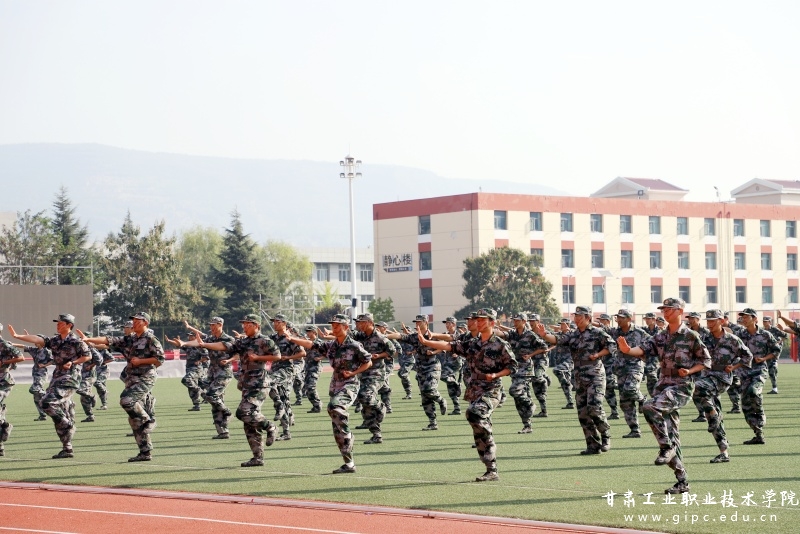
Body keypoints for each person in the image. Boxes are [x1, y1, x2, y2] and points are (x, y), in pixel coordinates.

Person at [616, 298, 710, 494]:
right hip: (663, 386)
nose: (665, 313)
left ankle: (666, 447)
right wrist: (628, 350)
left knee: (649, 406)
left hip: (681, 386)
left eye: (669, 309)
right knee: (672, 434)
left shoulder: (691, 336)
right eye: (664, 310)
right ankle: (682, 480)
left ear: (680, 311)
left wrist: (690, 371)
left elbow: (705, 360)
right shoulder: (660, 336)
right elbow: (643, 349)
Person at [419, 308, 517, 482]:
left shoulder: (500, 344)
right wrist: (426, 341)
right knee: (477, 428)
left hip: (492, 390)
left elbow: (512, 367)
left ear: (492, 322)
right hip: (474, 390)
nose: (478, 322)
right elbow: (450, 346)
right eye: (477, 320)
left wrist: (496, 375)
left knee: (474, 413)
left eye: (482, 320)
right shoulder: (472, 343)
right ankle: (491, 469)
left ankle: (489, 444)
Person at [286, 314, 373, 474]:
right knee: (337, 430)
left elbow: (368, 361)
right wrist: (291, 338)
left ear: (346, 327)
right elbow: (311, 344)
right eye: (333, 325)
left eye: (338, 325)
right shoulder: (331, 345)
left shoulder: (354, 345)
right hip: (335, 386)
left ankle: (349, 434)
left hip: (350, 384)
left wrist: (354, 372)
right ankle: (349, 464)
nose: (334, 328)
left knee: (334, 407)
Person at [195, 313, 280, 467]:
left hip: (259, 384)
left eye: (248, 324)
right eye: (244, 324)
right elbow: (225, 346)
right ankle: (257, 457)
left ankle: (270, 426)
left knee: (243, 412)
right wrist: (204, 345)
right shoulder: (243, 342)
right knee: (249, 423)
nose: (244, 327)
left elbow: (277, 356)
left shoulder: (265, 341)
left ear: (256, 326)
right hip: (246, 384)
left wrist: (258, 358)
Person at [80, 312, 164, 461]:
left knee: (126, 400)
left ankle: (149, 419)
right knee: (134, 420)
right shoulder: (130, 339)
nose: (134, 323)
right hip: (131, 378)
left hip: (145, 377)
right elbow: (108, 340)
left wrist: (141, 361)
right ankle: (145, 452)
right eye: (133, 321)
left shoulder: (151, 339)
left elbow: (160, 359)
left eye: (138, 321)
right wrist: (88, 340)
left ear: (145, 323)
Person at [9, 314, 91, 459]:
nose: (57, 325)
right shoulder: (55, 340)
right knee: (58, 413)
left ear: (69, 325)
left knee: (46, 403)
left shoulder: (76, 341)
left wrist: (73, 362)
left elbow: (88, 356)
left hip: (70, 378)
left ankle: (67, 423)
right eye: (57, 323)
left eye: (60, 323)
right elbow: (37, 339)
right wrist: (17, 336)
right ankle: (67, 448)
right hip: (56, 378)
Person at [536, 306, 615, 455]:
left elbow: (612, 346)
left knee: (594, 407)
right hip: (579, 376)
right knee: (583, 413)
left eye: (579, 316)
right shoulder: (573, 334)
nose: (576, 319)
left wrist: (597, 355)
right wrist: (544, 335)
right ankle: (592, 445)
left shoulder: (597, 332)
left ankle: (605, 435)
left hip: (595, 375)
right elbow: (557, 340)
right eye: (575, 316)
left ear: (588, 317)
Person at [692, 309, 752, 463]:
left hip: (722, 378)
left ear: (721, 321)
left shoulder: (732, 339)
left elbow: (748, 356)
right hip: (706, 376)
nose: (710, 324)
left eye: (713, 321)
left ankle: (713, 415)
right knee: (713, 416)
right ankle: (723, 452)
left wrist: (734, 366)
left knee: (697, 387)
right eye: (708, 321)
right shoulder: (704, 338)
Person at [386, 315, 447, 431]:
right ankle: (433, 422)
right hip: (421, 368)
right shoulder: (414, 337)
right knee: (425, 397)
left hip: (433, 366)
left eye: (419, 321)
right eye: (416, 322)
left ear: (426, 322)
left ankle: (441, 400)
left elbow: (444, 346)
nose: (417, 323)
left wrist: (433, 352)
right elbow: (400, 335)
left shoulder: (433, 335)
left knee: (429, 389)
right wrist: (385, 336)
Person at [180, 317, 236, 439]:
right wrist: (184, 343)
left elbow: (221, 346)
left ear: (220, 325)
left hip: (224, 372)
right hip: (212, 373)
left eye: (214, 325)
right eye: (210, 325)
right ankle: (223, 432)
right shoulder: (210, 338)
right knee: (215, 403)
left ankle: (227, 412)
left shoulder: (228, 339)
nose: (211, 327)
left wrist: (204, 344)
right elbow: (198, 343)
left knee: (211, 395)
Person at [735, 308, 780, 445]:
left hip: (759, 370)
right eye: (742, 317)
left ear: (755, 319)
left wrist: (764, 358)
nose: (744, 319)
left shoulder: (765, 335)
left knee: (753, 391)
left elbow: (776, 350)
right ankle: (758, 434)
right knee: (746, 406)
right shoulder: (739, 335)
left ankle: (760, 414)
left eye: (746, 317)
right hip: (743, 372)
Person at [352, 313, 395, 444]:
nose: (358, 324)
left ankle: (381, 406)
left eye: (361, 322)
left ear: (370, 322)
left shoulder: (380, 337)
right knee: (365, 405)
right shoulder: (359, 336)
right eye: (358, 322)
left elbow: (392, 351)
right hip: (363, 372)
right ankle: (376, 435)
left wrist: (379, 355)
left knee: (365, 396)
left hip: (376, 373)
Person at [503, 312, 548, 433]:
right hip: (515, 369)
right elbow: (502, 334)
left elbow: (544, 347)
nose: (515, 322)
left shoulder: (530, 335)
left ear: (524, 321)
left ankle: (531, 404)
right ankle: (527, 426)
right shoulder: (512, 334)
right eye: (514, 320)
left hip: (526, 369)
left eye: (517, 320)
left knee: (514, 390)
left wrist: (531, 355)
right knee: (519, 399)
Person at [609, 309, 649, 438]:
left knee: (630, 388)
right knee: (625, 401)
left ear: (629, 318)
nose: (618, 319)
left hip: (635, 366)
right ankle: (635, 429)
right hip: (621, 369)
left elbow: (651, 346)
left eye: (622, 317)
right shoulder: (615, 333)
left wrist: (644, 357)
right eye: (618, 317)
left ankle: (643, 399)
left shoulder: (640, 333)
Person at [269, 314, 305, 441]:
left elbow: (302, 353)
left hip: (286, 369)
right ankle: (286, 432)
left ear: (284, 323)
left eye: (278, 322)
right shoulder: (272, 338)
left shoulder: (289, 338)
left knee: (269, 382)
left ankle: (279, 406)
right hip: (275, 369)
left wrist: (288, 357)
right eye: (274, 322)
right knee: (283, 398)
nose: (275, 324)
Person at [0, 322, 25, 457]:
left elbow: (20, 357)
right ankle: (4, 428)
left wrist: (4, 362)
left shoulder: (4, 344)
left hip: (3, 381)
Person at [167, 332, 209, 411]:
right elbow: (179, 345)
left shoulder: (200, 346)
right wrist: (169, 341)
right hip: (189, 368)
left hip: (196, 369)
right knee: (191, 388)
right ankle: (196, 405)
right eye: (189, 336)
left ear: (195, 337)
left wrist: (199, 361)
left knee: (186, 380)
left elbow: (206, 357)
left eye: (191, 336)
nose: (189, 337)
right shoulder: (188, 346)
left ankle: (201, 392)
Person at [439, 317, 463, 416]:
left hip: (456, 362)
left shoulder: (460, 335)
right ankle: (457, 408)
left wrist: (458, 353)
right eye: (446, 323)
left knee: (443, 376)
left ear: (454, 324)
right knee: (450, 387)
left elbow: (466, 346)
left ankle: (456, 384)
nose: (446, 325)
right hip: (447, 361)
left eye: (448, 323)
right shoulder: (445, 334)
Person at [549, 318, 575, 409]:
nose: (561, 326)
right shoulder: (559, 334)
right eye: (561, 324)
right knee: (565, 385)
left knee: (556, 370)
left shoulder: (573, 334)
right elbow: (551, 338)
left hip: (569, 360)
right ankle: (570, 403)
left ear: (568, 324)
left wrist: (569, 330)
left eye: (563, 324)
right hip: (560, 361)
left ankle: (568, 383)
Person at [24, 342, 53, 421]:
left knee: (34, 389)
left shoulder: (47, 351)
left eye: (36, 341)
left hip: (42, 373)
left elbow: (53, 360)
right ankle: (42, 415)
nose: (35, 342)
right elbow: (23, 346)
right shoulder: (35, 350)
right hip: (35, 373)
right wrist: (12, 344)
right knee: (36, 397)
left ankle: (49, 396)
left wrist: (44, 365)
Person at [75, 345, 104, 422]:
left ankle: (92, 396)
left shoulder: (91, 349)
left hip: (89, 376)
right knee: (84, 398)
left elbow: (99, 360)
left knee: (79, 389)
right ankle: (90, 416)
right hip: (82, 376)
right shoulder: (79, 348)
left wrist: (91, 365)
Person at [301, 326, 325, 413]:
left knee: (311, 387)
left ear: (314, 332)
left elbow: (327, 353)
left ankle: (318, 404)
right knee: (307, 389)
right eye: (307, 331)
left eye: (309, 331)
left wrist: (320, 358)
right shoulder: (307, 342)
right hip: (307, 367)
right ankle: (316, 406)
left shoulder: (319, 343)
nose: (307, 333)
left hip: (315, 367)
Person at [761, 316, 787, 394]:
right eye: (764, 321)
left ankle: (775, 388)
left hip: (775, 351)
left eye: (766, 321)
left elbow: (785, 335)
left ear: (770, 322)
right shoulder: (762, 331)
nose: (764, 323)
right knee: (766, 369)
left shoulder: (775, 329)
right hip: (767, 352)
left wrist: (779, 343)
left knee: (772, 368)